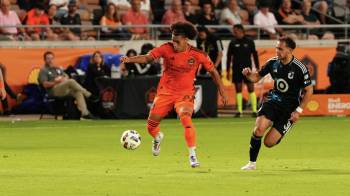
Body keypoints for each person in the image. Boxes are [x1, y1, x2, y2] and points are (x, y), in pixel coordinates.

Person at [121, 22, 228, 168]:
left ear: (186, 40)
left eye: (177, 42)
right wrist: (130, 59)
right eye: (173, 40)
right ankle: (158, 138)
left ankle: (192, 155)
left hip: (185, 94)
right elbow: (147, 58)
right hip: (165, 93)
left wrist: (221, 90)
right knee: (151, 127)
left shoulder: (198, 54)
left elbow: (213, 71)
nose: (174, 44)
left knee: (186, 119)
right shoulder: (166, 48)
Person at [240, 37, 313, 170]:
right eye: (276, 48)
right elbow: (256, 77)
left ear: (290, 50)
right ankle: (252, 164)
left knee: (269, 142)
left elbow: (309, 91)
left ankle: (279, 128)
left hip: (289, 109)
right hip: (273, 101)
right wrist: (249, 75)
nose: (277, 51)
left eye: (280, 49)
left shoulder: (300, 68)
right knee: (259, 129)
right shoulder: (272, 63)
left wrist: (298, 111)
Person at [38, 51, 98, 119]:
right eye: (48, 58)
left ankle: (85, 113)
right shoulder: (43, 70)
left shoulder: (57, 68)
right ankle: (88, 95)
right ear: (45, 60)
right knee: (71, 81)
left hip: (63, 89)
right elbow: (45, 85)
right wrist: (56, 82)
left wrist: (63, 78)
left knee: (77, 92)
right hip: (53, 90)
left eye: (51, 58)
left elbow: (66, 76)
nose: (50, 60)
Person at [226, 24, 259, 117]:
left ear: (241, 31)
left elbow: (255, 55)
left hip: (248, 70)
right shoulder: (232, 42)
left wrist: (257, 67)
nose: (234, 32)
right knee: (238, 90)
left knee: (251, 89)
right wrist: (228, 71)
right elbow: (229, 58)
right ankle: (239, 111)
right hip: (236, 69)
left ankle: (254, 111)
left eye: (235, 30)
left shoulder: (249, 41)